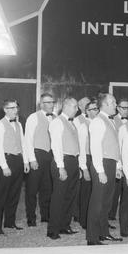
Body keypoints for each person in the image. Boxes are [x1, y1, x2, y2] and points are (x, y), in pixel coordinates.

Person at [87, 93, 123, 245]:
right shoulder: (97, 121)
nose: (116, 105)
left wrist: (117, 166)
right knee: (97, 202)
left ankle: (104, 233)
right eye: (113, 102)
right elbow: (95, 148)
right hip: (101, 163)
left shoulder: (111, 121)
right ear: (105, 104)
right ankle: (92, 238)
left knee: (106, 202)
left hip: (110, 163)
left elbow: (114, 146)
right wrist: (100, 170)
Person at [0, 99, 30, 234]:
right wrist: (4, 166)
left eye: (16, 107)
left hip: (18, 161)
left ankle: (9, 222)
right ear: (5, 110)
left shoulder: (19, 125)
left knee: (14, 193)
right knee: (2, 195)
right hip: (6, 161)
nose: (15, 110)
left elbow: (23, 144)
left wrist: (25, 162)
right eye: (12, 108)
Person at [47, 97, 81, 240]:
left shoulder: (72, 124)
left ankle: (64, 225)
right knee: (59, 197)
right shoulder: (57, 122)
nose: (77, 109)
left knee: (70, 196)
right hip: (63, 161)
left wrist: (78, 165)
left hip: (73, 161)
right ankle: (53, 230)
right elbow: (56, 146)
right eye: (75, 106)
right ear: (66, 106)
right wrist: (61, 167)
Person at [24, 93, 55, 227]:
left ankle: (45, 216)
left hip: (50, 155)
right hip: (37, 155)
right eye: (48, 102)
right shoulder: (33, 117)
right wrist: (31, 159)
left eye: (52, 102)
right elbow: (28, 140)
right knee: (32, 189)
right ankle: (31, 218)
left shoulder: (55, 118)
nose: (51, 104)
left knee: (47, 188)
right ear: (41, 104)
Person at [76, 98, 98, 229]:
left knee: (97, 191)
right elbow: (82, 148)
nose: (96, 111)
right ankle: (84, 220)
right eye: (93, 109)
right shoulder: (84, 125)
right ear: (87, 111)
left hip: (99, 158)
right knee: (86, 191)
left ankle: (97, 218)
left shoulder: (101, 124)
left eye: (97, 109)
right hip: (88, 159)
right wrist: (83, 167)